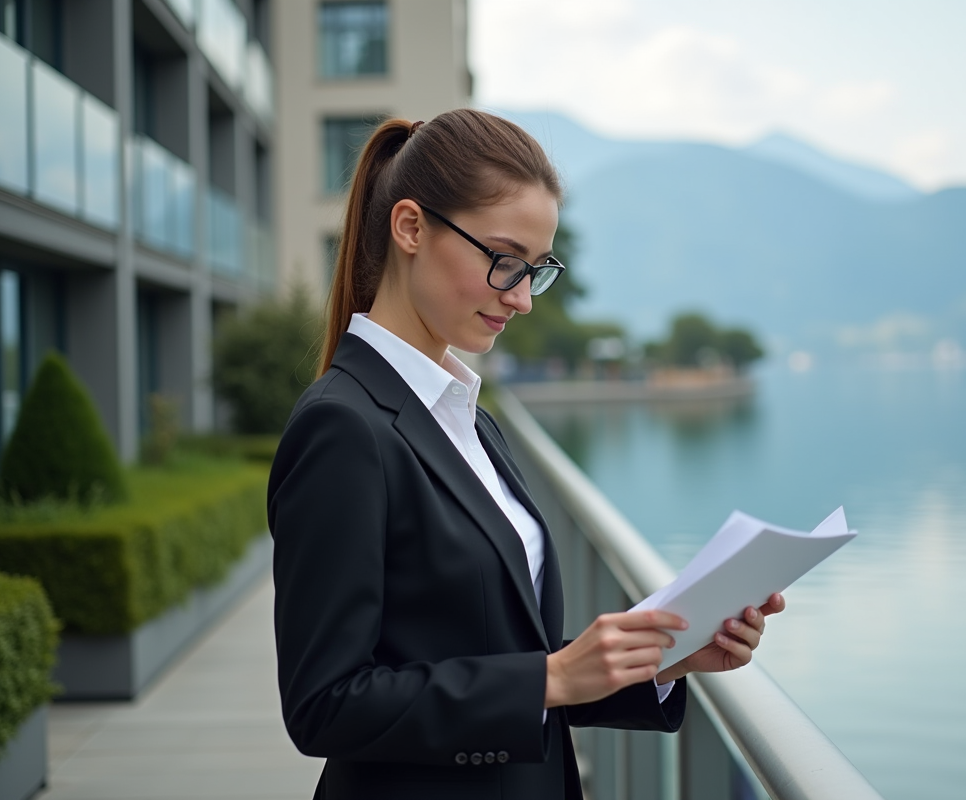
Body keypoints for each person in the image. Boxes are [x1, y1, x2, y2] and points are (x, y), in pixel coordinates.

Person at [267, 109, 787, 800]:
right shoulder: (343, 427)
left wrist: (659, 662)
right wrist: (552, 678)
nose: (521, 298)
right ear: (411, 228)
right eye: (503, 261)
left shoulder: (472, 424)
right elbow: (324, 704)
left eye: (536, 270)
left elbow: (495, 654)